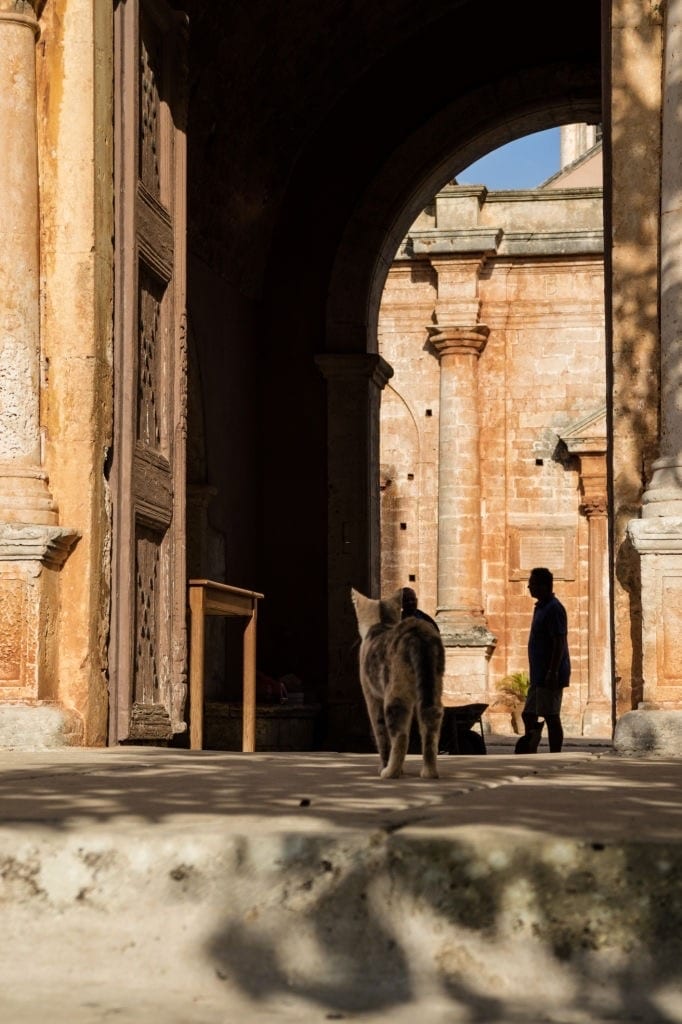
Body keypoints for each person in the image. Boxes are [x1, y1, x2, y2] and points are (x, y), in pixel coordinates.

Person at [518, 566, 570, 754]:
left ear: (543, 586)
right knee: (528, 714)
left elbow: (559, 641)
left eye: (532, 584)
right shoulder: (541, 607)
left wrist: (553, 671)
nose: (529, 588)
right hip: (539, 674)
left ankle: (555, 753)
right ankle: (532, 742)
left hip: (550, 673)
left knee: (551, 716)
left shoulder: (554, 609)